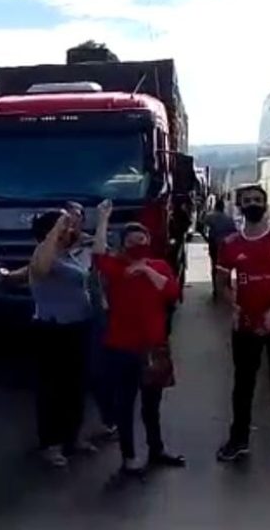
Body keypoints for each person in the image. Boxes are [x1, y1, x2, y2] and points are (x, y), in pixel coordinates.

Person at [215, 183, 270, 485]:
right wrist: (234, 307)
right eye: (247, 201)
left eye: (258, 200)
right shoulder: (230, 244)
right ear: (239, 206)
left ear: (265, 204)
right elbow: (222, 284)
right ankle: (238, 440)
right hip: (246, 326)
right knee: (243, 385)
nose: (253, 204)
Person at [93, 199, 185, 478]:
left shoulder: (159, 265)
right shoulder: (116, 266)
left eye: (142, 238)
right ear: (123, 244)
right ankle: (129, 456)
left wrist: (145, 269)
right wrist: (103, 219)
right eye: (132, 240)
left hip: (154, 346)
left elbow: (171, 292)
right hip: (121, 346)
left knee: (151, 404)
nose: (138, 244)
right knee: (124, 403)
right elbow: (98, 252)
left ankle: (156, 450)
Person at [27, 209, 97, 467]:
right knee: (52, 389)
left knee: (75, 387)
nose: (70, 230)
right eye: (64, 227)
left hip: (77, 327)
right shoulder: (43, 254)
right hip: (52, 330)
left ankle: (72, 438)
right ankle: (50, 444)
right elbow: (41, 269)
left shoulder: (70, 254)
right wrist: (55, 229)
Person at [203, 198, 238, 299]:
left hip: (214, 245)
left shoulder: (210, 217)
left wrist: (206, 238)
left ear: (215, 206)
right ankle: (227, 285)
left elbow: (201, 226)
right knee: (227, 266)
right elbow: (235, 232)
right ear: (223, 207)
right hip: (226, 246)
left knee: (214, 265)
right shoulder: (228, 219)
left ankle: (216, 289)